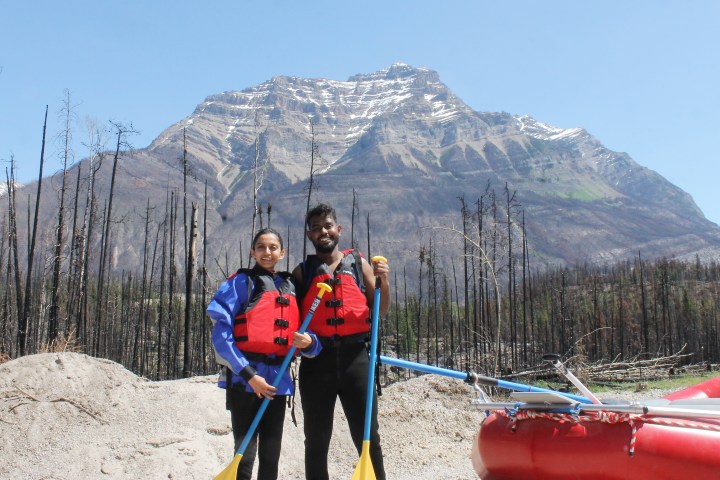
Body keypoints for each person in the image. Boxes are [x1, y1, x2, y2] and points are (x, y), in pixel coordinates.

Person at [207, 227, 321, 480]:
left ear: (282, 252)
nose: (267, 252)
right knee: (245, 455)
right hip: (245, 380)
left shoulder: (291, 287)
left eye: (272, 247)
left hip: (277, 381)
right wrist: (249, 375)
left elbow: (312, 336)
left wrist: (309, 343)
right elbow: (221, 334)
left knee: (271, 456)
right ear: (253, 252)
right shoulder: (241, 282)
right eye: (261, 247)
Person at [292, 203, 390, 480]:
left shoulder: (359, 264)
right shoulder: (302, 273)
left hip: (356, 359)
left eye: (328, 226)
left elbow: (380, 309)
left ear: (338, 229)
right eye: (316, 228)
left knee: (368, 438)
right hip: (316, 362)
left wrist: (385, 280)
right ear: (309, 234)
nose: (323, 231)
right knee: (316, 441)